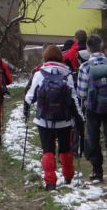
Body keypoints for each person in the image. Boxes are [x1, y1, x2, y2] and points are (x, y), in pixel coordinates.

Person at [24, 45, 84, 191]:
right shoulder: (67, 74)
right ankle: (68, 176)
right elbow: (74, 98)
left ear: (45, 57)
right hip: (64, 120)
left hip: (44, 120)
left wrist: (25, 110)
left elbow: (29, 97)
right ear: (60, 57)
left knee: (48, 150)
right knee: (65, 149)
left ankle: (50, 182)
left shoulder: (40, 74)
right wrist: (79, 119)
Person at [77, 34, 107, 184]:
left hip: (92, 108)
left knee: (93, 138)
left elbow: (81, 93)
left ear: (88, 49)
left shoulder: (84, 67)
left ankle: (97, 171)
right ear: (102, 46)